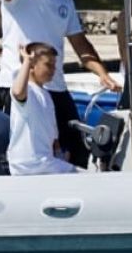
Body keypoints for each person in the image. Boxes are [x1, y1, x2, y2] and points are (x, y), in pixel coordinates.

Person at [0, 0, 120, 162]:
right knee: (32, 149)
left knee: (77, 151)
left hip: (55, 86)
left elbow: (80, 44)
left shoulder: (64, 0)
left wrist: (102, 73)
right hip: (21, 85)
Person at [9, 42, 81, 175]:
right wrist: (27, 61)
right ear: (32, 66)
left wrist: (60, 156)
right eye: (48, 65)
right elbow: (18, 92)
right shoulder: (28, 91)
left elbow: (52, 135)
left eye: (54, 65)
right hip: (28, 163)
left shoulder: (47, 95)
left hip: (46, 162)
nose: (53, 69)